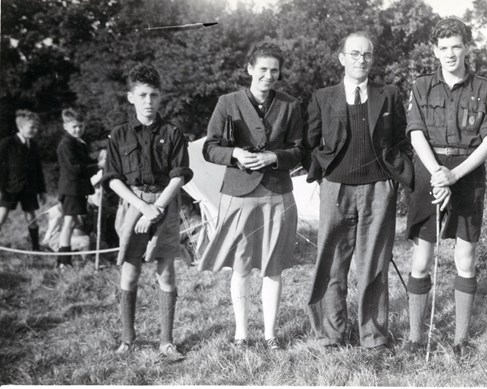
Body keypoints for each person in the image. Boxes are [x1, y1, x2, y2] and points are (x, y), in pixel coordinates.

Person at [303, 32, 413, 353]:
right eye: (354, 54)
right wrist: (324, 171)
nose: (360, 60)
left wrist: (396, 178)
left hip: (379, 188)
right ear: (342, 58)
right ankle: (331, 334)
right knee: (332, 262)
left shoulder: (388, 95)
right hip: (336, 189)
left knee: (374, 264)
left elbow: (401, 141)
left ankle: (374, 336)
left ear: (372, 59)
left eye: (366, 55)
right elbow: (310, 142)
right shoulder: (323, 97)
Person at [404, 18, 487, 361]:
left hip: (467, 174)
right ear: (434, 51)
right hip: (429, 172)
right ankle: (415, 337)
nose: (449, 54)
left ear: (467, 47)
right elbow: (415, 134)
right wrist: (437, 174)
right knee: (422, 256)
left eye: (456, 46)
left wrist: (453, 176)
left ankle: (461, 340)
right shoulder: (421, 86)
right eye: (442, 48)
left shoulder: (486, 88)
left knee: (465, 256)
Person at [199, 42, 303, 350]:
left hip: (277, 192)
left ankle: (271, 334)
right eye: (262, 70)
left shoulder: (290, 105)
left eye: (274, 71)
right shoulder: (227, 102)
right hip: (239, 193)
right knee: (241, 266)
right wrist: (235, 155)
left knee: (273, 267)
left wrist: (274, 158)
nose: (268, 76)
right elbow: (209, 147)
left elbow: (300, 150)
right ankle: (241, 334)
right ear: (249, 69)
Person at [102, 63, 193, 360]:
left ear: (160, 96)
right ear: (131, 97)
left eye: (154, 95)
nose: (148, 101)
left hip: (165, 206)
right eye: (142, 95)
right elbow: (113, 179)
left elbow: (179, 176)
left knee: (166, 273)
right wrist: (142, 207)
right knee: (130, 273)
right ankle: (128, 339)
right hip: (133, 206)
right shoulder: (119, 135)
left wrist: (156, 208)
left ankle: (166, 341)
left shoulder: (173, 132)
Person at [56, 108, 102, 269]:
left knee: (72, 221)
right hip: (71, 189)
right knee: (69, 223)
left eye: (81, 126)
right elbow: (75, 169)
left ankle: (63, 259)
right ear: (65, 126)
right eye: (74, 126)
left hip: (77, 189)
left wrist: (99, 159)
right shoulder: (66, 144)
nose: (78, 129)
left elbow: (87, 162)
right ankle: (63, 260)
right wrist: (98, 165)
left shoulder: (79, 143)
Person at [0, 110, 46, 251]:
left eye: (36, 127)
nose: (35, 130)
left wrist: (42, 190)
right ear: (20, 127)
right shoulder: (7, 144)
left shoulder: (33, 145)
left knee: (31, 217)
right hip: (9, 188)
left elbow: (38, 169)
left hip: (28, 189)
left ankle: (36, 248)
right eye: (32, 127)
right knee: (2, 215)